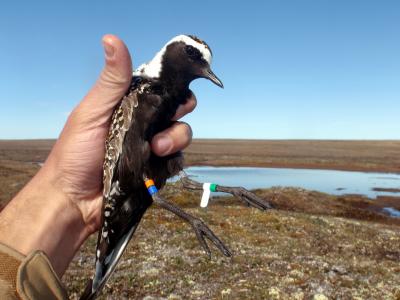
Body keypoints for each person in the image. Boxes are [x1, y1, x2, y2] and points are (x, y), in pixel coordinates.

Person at [0, 35, 196, 299]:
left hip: (120, 187)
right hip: (115, 185)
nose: (204, 70)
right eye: (195, 57)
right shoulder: (136, 85)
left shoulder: (156, 90)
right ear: (173, 51)